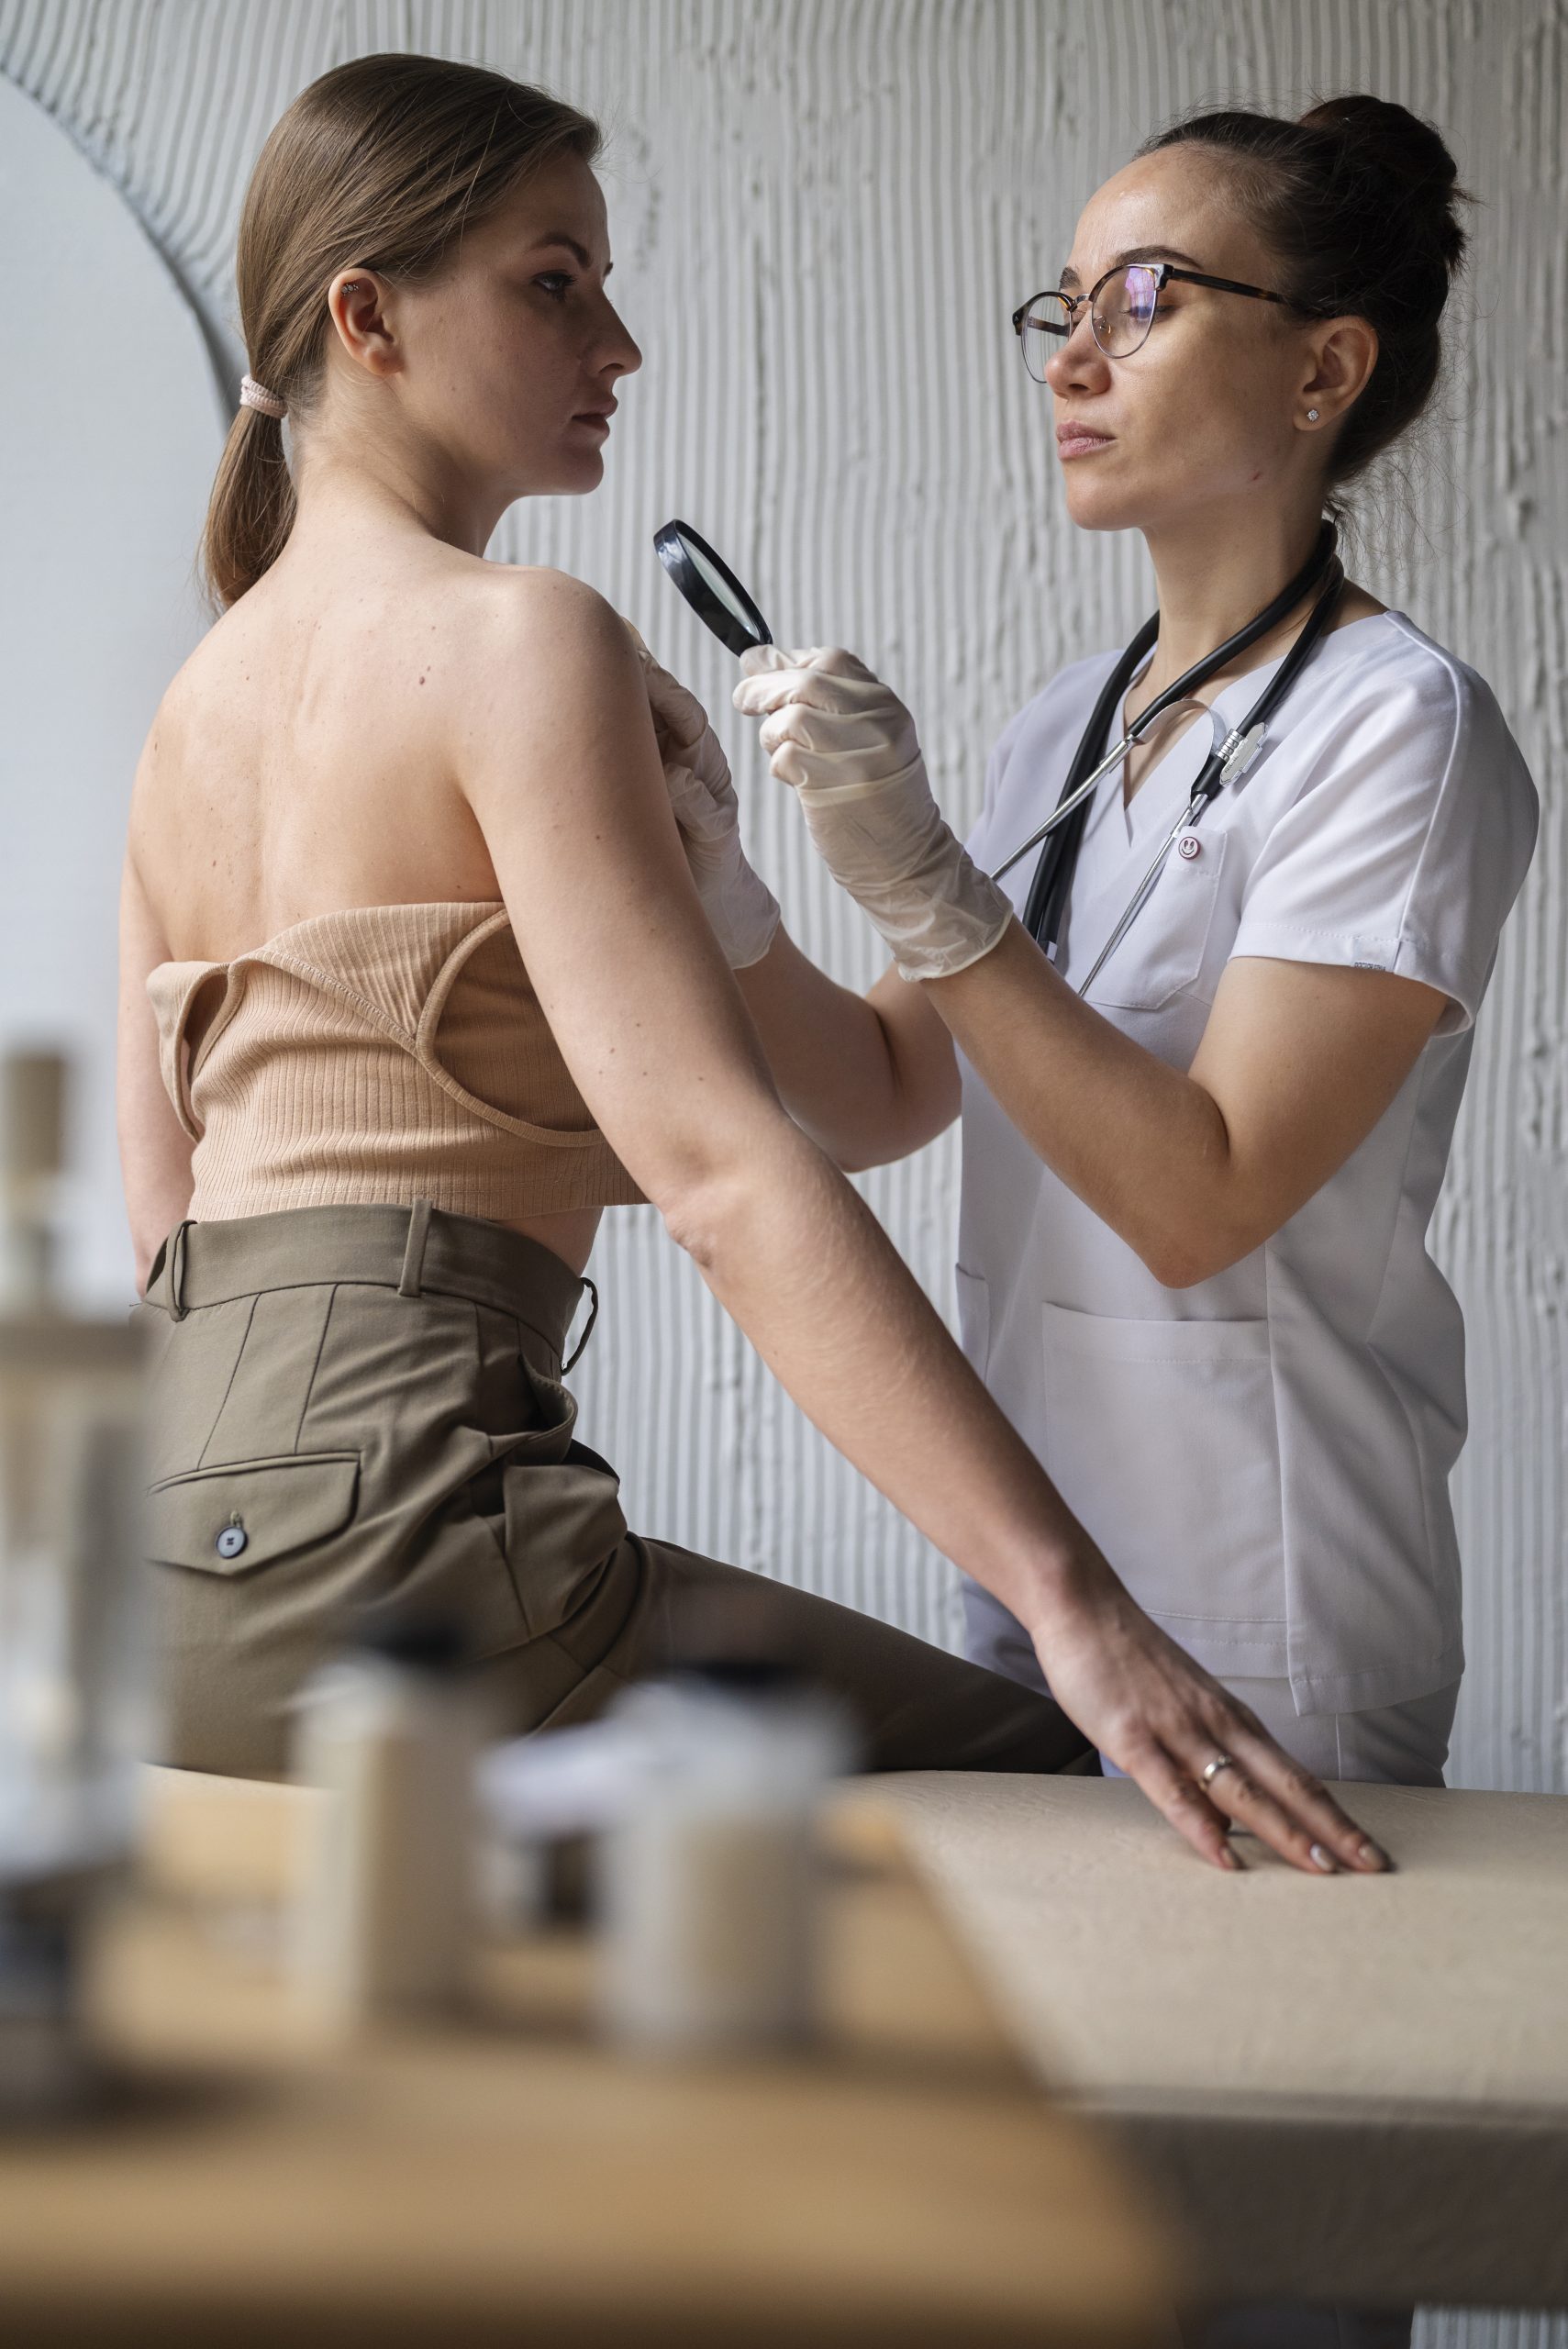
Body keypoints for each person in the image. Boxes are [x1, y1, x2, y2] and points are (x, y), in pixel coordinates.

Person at [117, 52, 1380, 1877]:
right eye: (556, 283)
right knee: (1061, 1785)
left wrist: (750, 898)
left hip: (171, 1575)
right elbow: (723, 1174)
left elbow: (176, 1241)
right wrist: (1078, 1611)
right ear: (366, 315)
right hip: (410, 1543)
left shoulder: (187, 712)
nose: (616, 341)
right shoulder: (520, 638)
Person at [676, 97, 1539, 1795]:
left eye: (1139, 302)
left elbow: (1195, 1199)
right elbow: (873, 1097)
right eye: (1059, 309)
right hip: (1039, 1588)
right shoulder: (1069, 725)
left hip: (1266, 1616)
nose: (1073, 360)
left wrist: (928, 883)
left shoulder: (1400, 729)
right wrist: (718, 883)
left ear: (1323, 369)